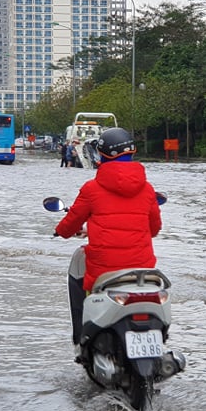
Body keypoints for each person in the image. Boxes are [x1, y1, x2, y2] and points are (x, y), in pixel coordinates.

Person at [53, 127, 161, 348]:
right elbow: (154, 228)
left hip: (105, 272)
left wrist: (62, 231)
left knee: (77, 273)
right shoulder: (148, 189)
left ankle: (81, 339)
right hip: (143, 272)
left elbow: (69, 224)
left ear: (102, 155)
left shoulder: (92, 189)